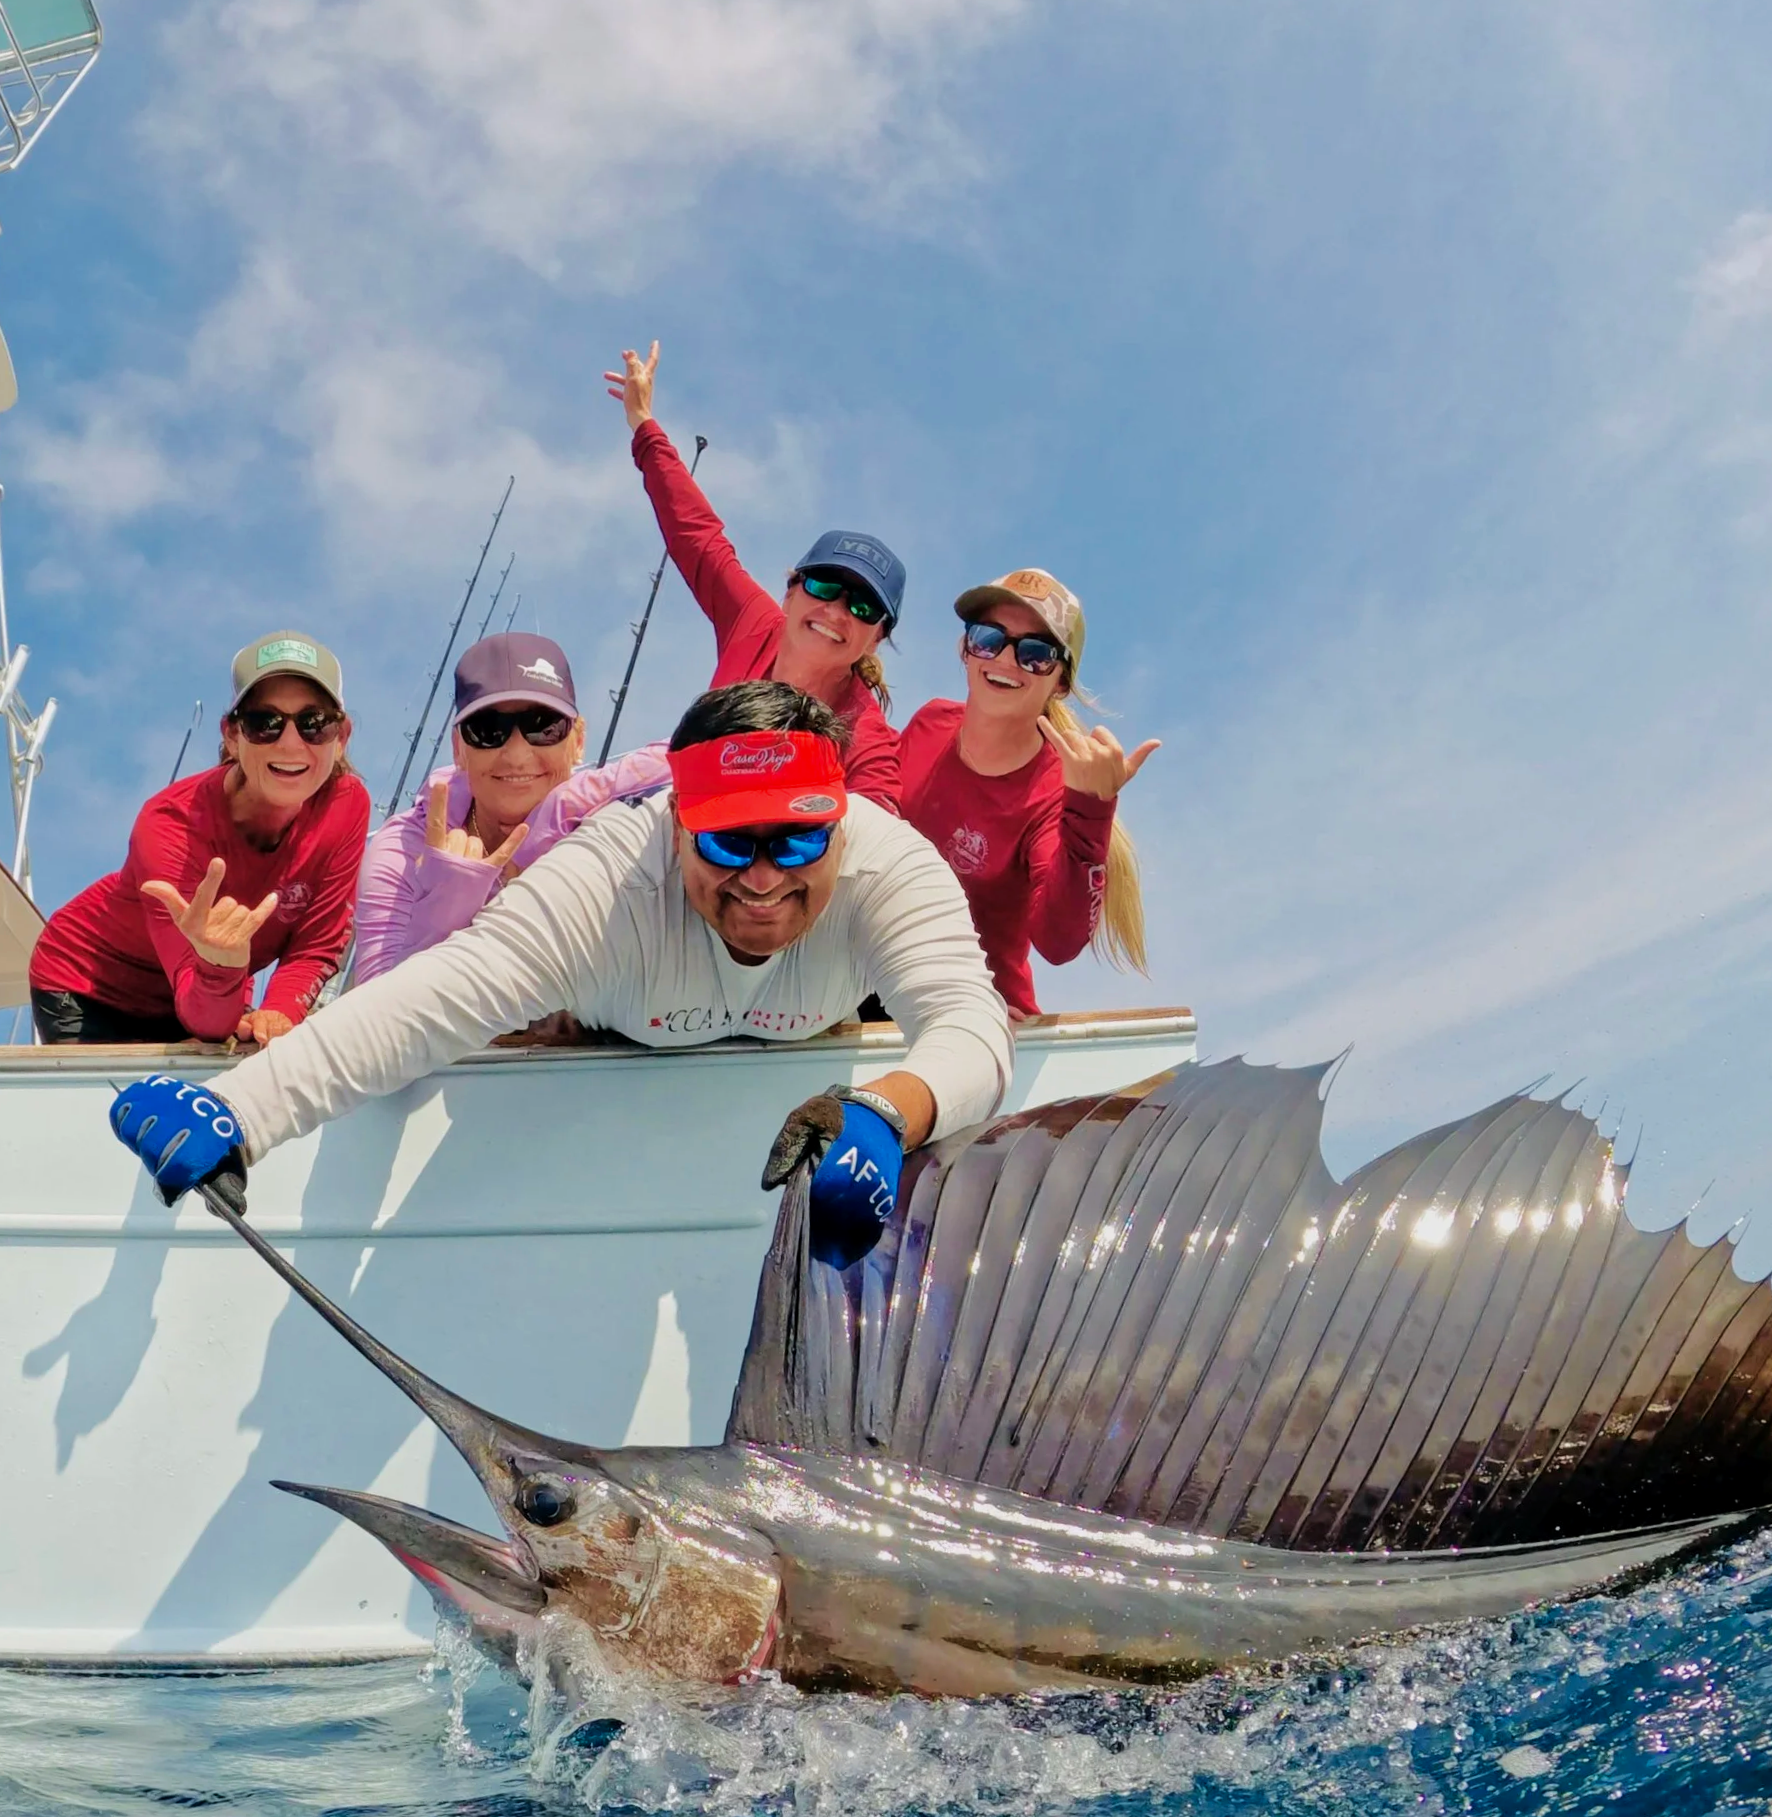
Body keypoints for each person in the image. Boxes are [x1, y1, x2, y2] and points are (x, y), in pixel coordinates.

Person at [107, 680, 1014, 1270]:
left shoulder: (891, 863)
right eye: (731, 842)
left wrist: (889, 1111)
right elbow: (438, 999)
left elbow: (972, 1027)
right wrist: (242, 1110)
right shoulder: (610, 870)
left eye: (799, 837)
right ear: (674, 824)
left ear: (841, 820)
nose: (765, 877)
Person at [29, 631, 368, 1046]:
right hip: (91, 988)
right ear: (231, 735)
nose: (292, 743)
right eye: (266, 723)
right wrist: (221, 967)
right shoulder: (169, 824)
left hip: (210, 988)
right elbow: (203, 1012)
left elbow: (316, 944)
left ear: (343, 735)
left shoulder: (346, 805)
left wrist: (279, 1012)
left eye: (315, 723)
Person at [605, 340, 904, 807]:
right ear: (790, 593)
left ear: (876, 639)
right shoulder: (755, 623)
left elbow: (880, 820)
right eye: (824, 586)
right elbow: (696, 536)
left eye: (862, 607)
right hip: (686, 817)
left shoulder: (867, 737)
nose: (836, 611)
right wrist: (643, 424)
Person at [897, 569, 1156, 1018]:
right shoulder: (928, 722)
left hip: (977, 1016)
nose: (1005, 659)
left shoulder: (1058, 793)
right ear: (965, 647)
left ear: (1060, 682)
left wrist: (1093, 811)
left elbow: (1057, 943)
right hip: (869, 986)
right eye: (988, 637)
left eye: (1035, 653)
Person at [350, 631, 668, 985]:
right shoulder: (403, 847)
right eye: (487, 730)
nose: (517, 756)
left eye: (544, 727)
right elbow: (379, 1009)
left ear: (577, 741)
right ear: (458, 750)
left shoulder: (599, 813)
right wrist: (445, 908)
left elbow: (697, 750)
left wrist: (563, 810)